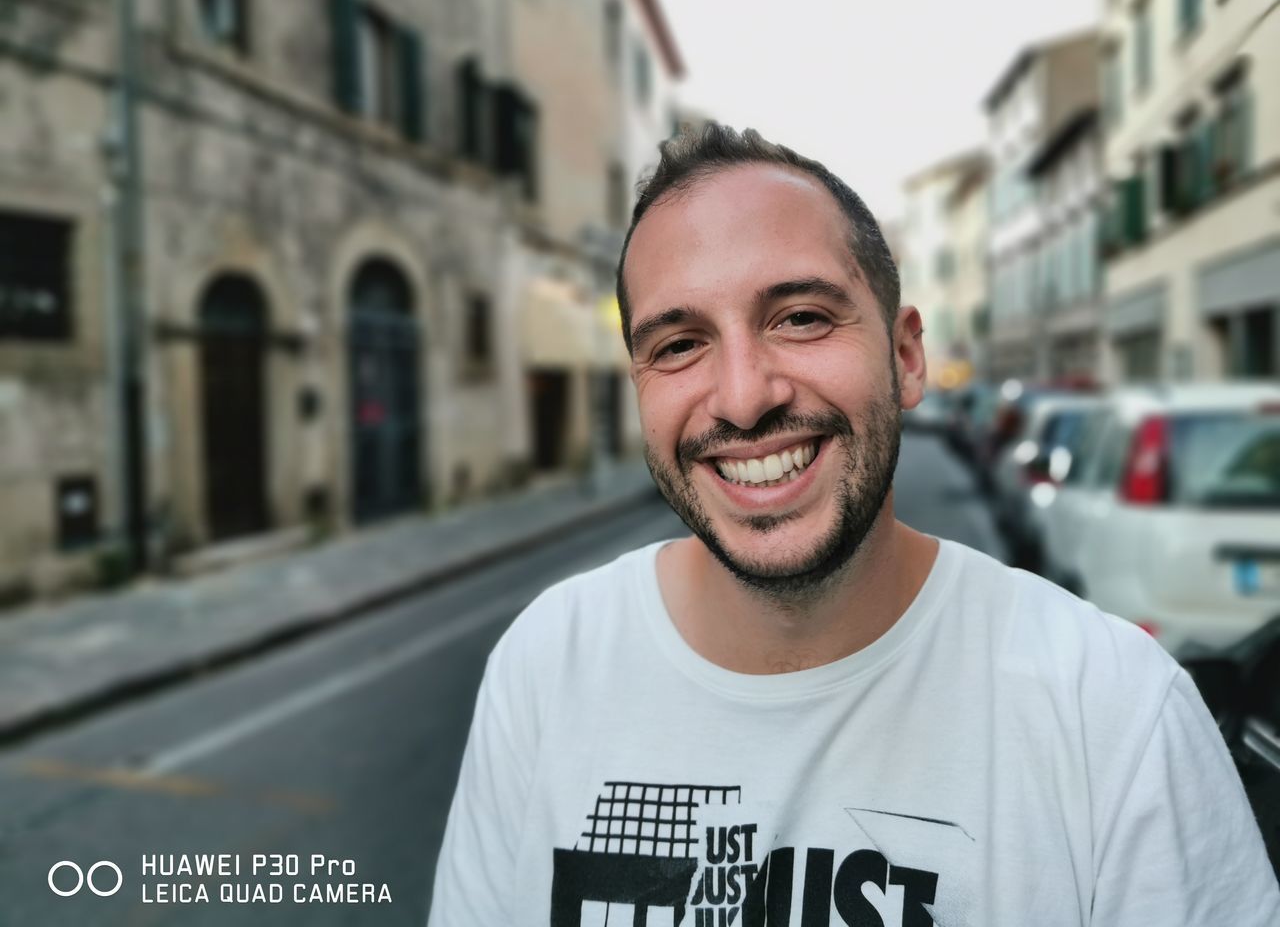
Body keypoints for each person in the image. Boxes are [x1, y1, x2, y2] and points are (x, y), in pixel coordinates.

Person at [428, 124, 1279, 925]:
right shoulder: (545, 667)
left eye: (799, 317)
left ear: (906, 356)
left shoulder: (1114, 712)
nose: (743, 396)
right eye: (679, 343)